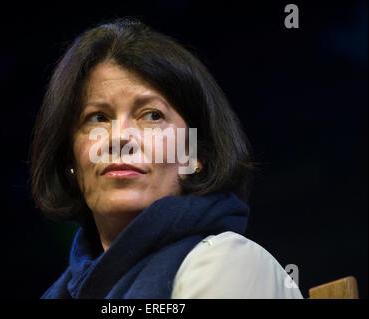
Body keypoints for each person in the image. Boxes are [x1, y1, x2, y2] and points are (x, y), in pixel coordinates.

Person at [30, 18, 303, 299]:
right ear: (69, 161)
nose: (120, 138)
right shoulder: (64, 291)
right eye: (98, 118)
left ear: (196, 154)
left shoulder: (228, 264)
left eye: (152, 115)